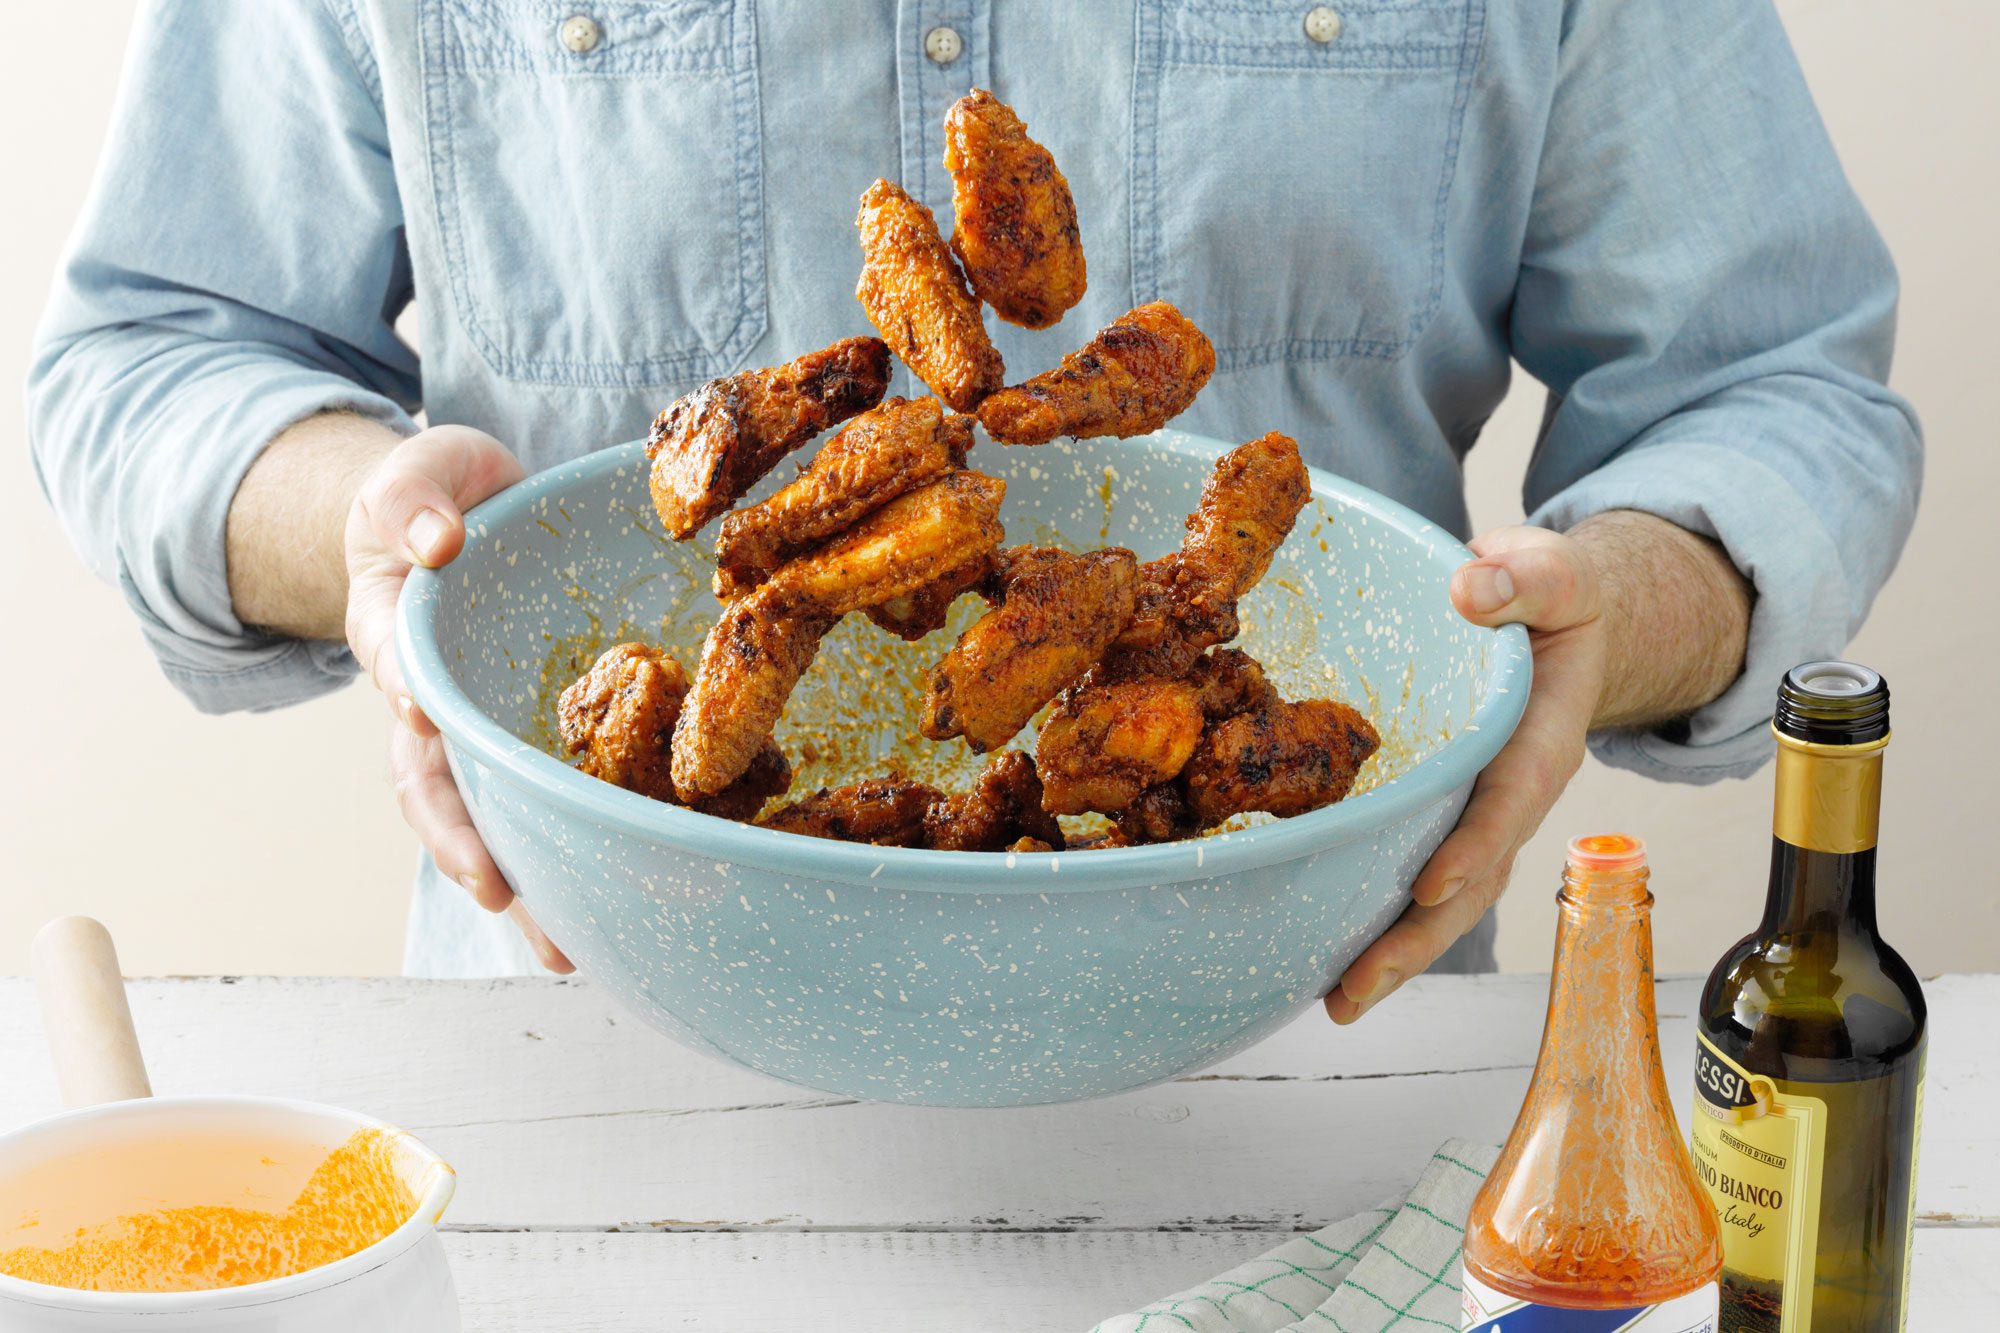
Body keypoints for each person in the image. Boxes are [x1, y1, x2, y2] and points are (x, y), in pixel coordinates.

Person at [27, 1, 1919, 1012]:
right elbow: (156, 351)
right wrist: (368, 531)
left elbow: (1772, 385)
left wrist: (1616, 610)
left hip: (1302, 1048)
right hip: (587, 1037)